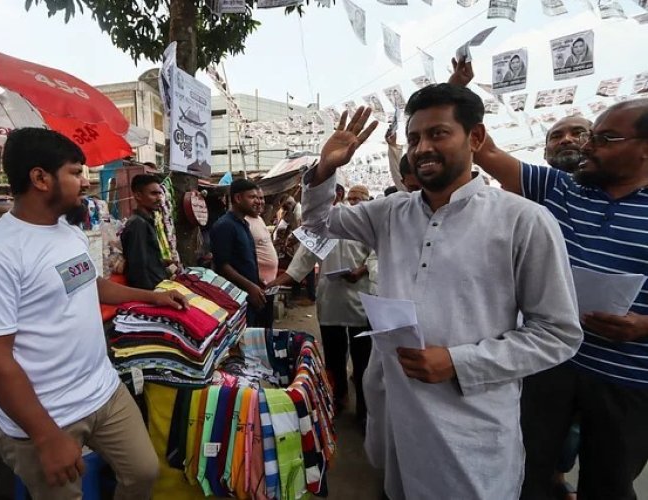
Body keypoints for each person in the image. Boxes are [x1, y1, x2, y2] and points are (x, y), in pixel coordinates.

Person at [301, 89, 582, 499]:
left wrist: (458, 361)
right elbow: (316, 224)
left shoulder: (524, 220)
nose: (423, 148)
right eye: (415, 139)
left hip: (471, 427)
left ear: (476, 137)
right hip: (396, 412)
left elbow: (558, 333)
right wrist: (325, 170)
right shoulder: (391, 213)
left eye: (438, 133)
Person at [0, 128, 188, 499]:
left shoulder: (68, 233)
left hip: (103, 392)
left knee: (144, 473)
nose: (86, 181)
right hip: (46, 415)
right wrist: (46, 437)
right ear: (40, 178)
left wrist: (153, 297)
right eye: (76, 172)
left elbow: (91, 285)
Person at [452, 57, 648, 500]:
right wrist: (460, 90)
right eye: (588, 135)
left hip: (628, 379)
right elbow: (485, 151)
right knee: (528, 466)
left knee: (610, 483)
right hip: (548, 363)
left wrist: (644, 326)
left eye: (603, 138)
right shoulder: (560, 188)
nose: (587, 146)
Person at [269, 184, 374, 423]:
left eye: (361, 199)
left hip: (362, 300)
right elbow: (303, 259)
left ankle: (365, 411)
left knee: (363, 360)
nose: (355, 202)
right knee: (334, 357)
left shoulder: (369, 224)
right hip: (332, 299)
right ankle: (338, 399)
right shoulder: (328, 226)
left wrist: (363, 269)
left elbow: (379, 254)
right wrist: (277, 281)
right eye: (352, 198)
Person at [211, 178, 267, 326]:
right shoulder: (225, 226)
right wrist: (250, 286)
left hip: (250, 295)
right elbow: (223, 265)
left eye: (258, 197)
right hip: (236, 298)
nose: (257, 201)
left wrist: (257, 281)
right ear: (237, 198)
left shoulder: (243, 223)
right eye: (252, 197)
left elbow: (243, 259)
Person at [120, 174, 169, 290]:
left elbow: (148, 259)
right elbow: (138, 268)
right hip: (151, 290)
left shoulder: (147, 221)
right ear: (138, 196)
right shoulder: (138, 224)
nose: (159, 198)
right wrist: (151, 297)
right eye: (153, 194)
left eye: (159, 193)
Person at [245, 187, 278, 328]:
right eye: (255, 198)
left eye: (261, 198)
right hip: (258, 286)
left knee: (267, 324)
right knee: (259, 328)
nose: (260, 202)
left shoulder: (258, 219)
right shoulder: (245, 222)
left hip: (270, 285)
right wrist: (257, 281)